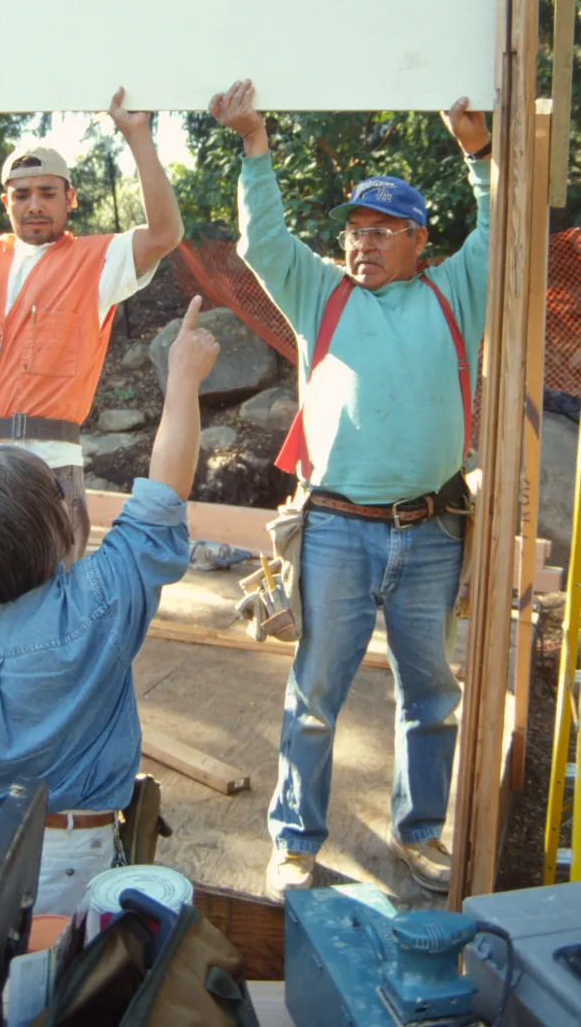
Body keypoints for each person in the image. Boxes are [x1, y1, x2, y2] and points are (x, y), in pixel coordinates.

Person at [210, 80, 492, 901]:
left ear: (417, 241)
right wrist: (254, 147)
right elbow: (263, 241)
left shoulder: (454, 293)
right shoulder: (321, 294)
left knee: (430, 695)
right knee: (313, 695)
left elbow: (502, 224)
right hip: (334, 529)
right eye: (353, 231)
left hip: (431, 529)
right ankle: (294, 840)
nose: (361, 243)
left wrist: (477, 153)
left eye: (381, 231)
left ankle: (421, 834)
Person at [0, 66, 183, 809]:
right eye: (20, 193)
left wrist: (138, 137)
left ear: (68, 201)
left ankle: (51, 767)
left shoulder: (98, 260)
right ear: (5, 202)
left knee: (53, 618)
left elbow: (165, 232)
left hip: (47, 466)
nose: (33, 203)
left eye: (47, 191)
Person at [0, 297, 219, 913]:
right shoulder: (95, 605)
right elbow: (163, 496)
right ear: (44, 531)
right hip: (68, 866)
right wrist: (183, 380)